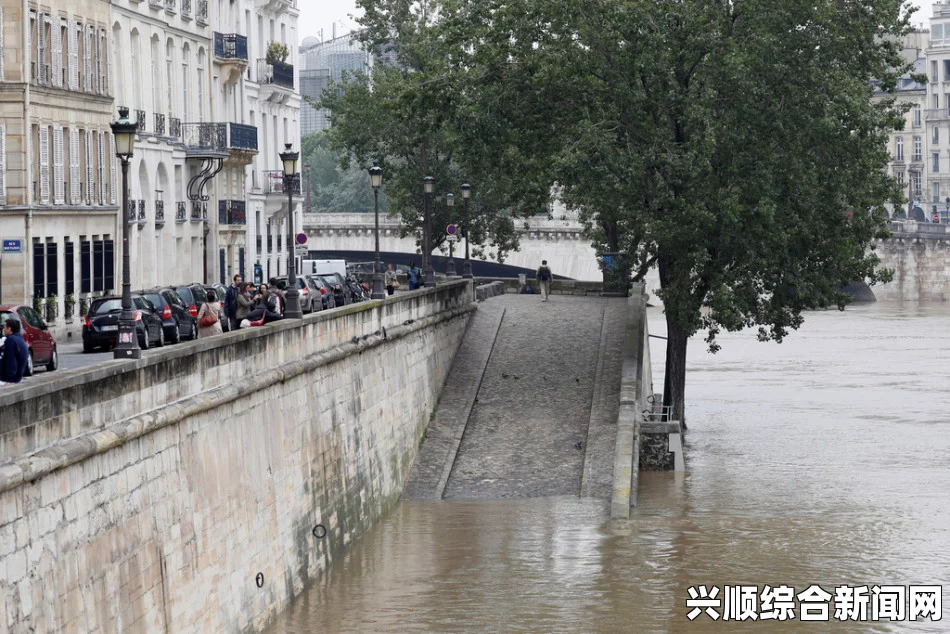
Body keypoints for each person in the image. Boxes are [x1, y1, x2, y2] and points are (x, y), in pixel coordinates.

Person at [0, 319, 30, 385]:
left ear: (9, 329)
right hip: (17, 377)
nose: (3, 329)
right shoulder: (19, 339)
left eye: (4, 327)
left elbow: (10, 360)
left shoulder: (10, 340)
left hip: (9, 379)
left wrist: (8, 380)